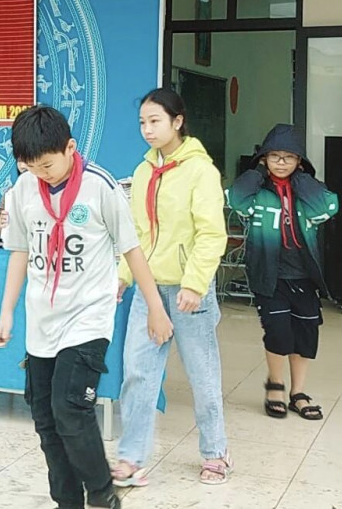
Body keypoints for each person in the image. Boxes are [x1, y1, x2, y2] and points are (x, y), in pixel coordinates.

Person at [0, 105, 172, 509]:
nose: (42, 174)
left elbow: (132, 249)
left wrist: (155, 307)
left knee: (70, 407)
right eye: (32, 167)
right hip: (41, 321)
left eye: (48, 165)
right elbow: (19, 252)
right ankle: (67, 501)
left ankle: (103, 494)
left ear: (70, 148)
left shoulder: (100, 186)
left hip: (88, 317)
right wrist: (6, 312)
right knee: (45, 418)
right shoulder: (23, 190)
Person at [112, 89, 230, 487]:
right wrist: (124, 276)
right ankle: (131, 458)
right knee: (138, 373)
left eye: (155, 121)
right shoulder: (144, 171)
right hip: (150, 291)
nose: (147, 130)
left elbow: (211, 234)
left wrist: (195, 284)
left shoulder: (201, 171)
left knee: (202, 374)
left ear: (177, 121)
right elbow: (136, 234)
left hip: (189, 292)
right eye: (142, 122)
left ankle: (215, 453)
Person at [226, 124, 338, 422]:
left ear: (299, 160)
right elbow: (236, 199)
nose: (281, 162)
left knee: (305, 333)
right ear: (264, 158)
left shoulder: (307, 190)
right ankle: (275, 385)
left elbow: (328, 206)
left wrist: (301, 179)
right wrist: (257, 172)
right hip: (269, 274)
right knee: (278, 331)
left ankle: (298, 392)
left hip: (304, 275)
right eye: (274, 156)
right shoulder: (258, 192)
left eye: (289, 157)